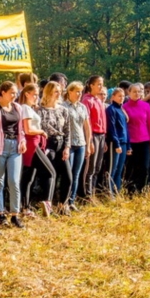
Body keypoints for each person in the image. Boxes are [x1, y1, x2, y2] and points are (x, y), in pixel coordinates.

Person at [0, 81, 27, 228]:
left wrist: (23, 141)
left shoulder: (18, 108)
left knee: (13, 181)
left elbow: (21, 129)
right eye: (11, 92)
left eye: (15, 93)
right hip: (0, 146)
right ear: (3, 92)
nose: (14, 95)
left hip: (15, 146)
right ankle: (0, 213)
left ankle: (15, 214)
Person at [19, 84, 56, 216]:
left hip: (34, 143)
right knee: (51, 173)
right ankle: (47, 202)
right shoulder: (25, 108)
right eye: (34, 94)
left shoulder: (29, 108)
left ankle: (25, 208)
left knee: (28, 177)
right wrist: (42, 131)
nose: (37, 97)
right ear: (27, 94)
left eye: (38, 95)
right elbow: (28, 129)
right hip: (32, 144)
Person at [39, 81, 73, 213]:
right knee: (49, 175)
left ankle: (62, 205)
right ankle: (47, 205)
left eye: (60, 91)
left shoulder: (63, 110)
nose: (59, 94)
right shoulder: (40, 110)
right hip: (48, 143)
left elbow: (68, 130)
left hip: (61, 142)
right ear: (49, 92)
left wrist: (67, 147)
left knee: (67, 176)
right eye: (56, 91)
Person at [62, 81, 91, 211]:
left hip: (81, 143)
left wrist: (89, 144)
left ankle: (72, 201)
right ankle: (64, 201)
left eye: (81, 91)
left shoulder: (82, 107)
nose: (79, 94)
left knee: (77, 174)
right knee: (67, 174)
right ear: (69, 92)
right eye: (77, 91)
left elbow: (87, 126)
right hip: (68, 144)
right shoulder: (63, 106)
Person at [123, 83, 150, 192]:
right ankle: (130, 190)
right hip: (131, 142)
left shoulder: (146, 106)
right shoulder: (124, 107)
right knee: (132, 167)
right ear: (129, 92)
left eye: (139, 92)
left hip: (145, 141)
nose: (137, 94)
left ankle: (142, 190)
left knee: (145, 167)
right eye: (134, 92)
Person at [81, 76, 107, 198]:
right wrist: (89, 140)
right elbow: (88, 122)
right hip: (93, 135)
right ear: (91, 85)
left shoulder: (98, 100)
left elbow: (103, 120)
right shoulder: (87, 100)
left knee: (97, 166)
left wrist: (104, 139)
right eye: (99, 84)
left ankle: (93, 191)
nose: (101, 87)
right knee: (90, 166)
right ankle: (86, 194)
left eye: (102, 84)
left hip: (101, 136)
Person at [106, 88, 129, 194]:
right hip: (115, 143)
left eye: (123, 96)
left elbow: (125, 129)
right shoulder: (111, 109)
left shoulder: (121, 110)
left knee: (119, 170)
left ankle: (117, 192)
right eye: (119, 96)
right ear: (113, 97)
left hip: (123, 142)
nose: (122, 98)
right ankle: (109, 193)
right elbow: (112, 128)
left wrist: (128, 145)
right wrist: (116, 144)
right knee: (112, 169)